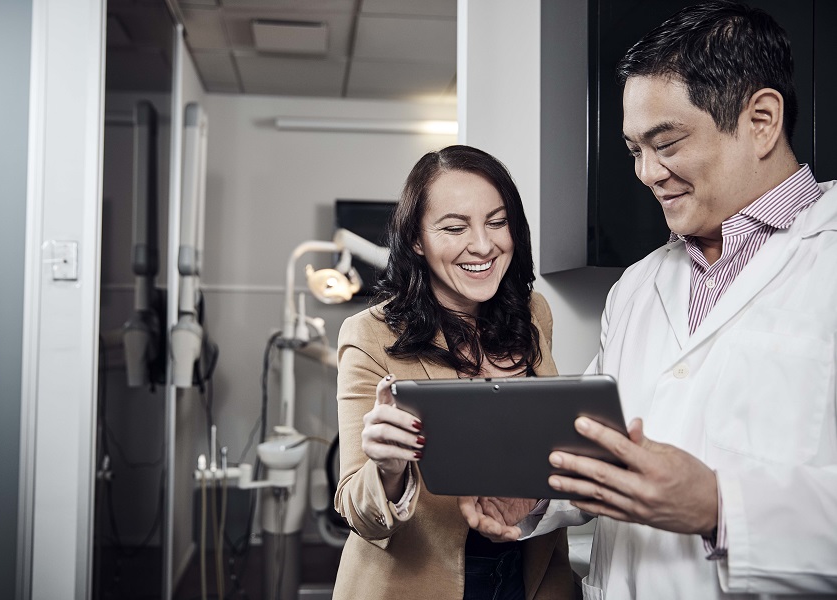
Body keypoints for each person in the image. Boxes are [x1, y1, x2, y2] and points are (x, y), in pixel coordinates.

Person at [460, 2, 837, 598]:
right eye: (635, 148)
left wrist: (719, 506)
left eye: (666, 143)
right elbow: (595, 446)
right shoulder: (637, 286)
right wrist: (532, 496)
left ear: (762, 120)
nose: (645, 172)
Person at [332, 145, 577, 600]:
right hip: (416, 583)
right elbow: (357, 512)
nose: (483, 245)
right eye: (454, 227)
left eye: (497, 222)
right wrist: (387, 470)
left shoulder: (533, 314)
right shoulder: (368, 336)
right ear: (417, 240)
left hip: (528, 574)